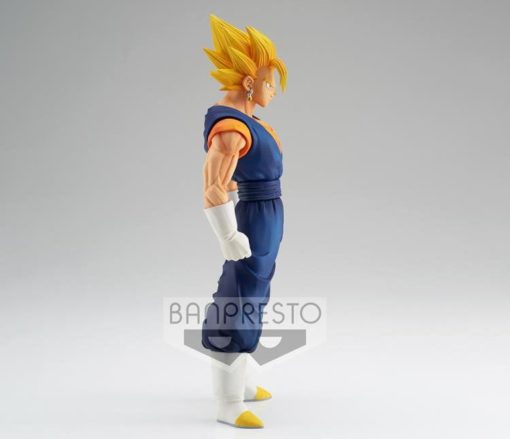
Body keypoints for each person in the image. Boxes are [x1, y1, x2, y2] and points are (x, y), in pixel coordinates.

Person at [200, 14, 288, 428]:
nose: (274, 90)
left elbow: (235, 178)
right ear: (251, 82)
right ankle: (228, 401)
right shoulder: (231, 128)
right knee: (238, 300)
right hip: (252, 219)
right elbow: (213, 187)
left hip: (264, 216)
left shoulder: (248, 123)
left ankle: (244, 381)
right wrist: (228, 234)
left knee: (256, 296)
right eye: (270, 82)